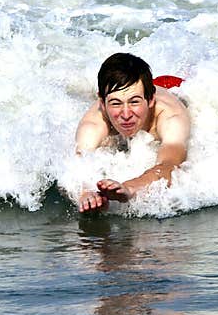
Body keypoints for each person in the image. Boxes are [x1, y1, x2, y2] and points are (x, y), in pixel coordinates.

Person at [75, 53, 191, 212]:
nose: (126, 114)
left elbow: (170, 165)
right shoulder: (93, 124)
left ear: (150, 100)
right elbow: (78, 164)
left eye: (134, 102)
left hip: (174, 86)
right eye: (115, 103)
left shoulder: (171, 118)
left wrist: (129, 189)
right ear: (102, 103)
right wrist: (85, 193)